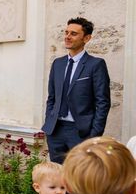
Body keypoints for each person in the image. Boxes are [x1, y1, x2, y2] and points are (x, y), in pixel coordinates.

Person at [42, 17, 111, 164]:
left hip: (81, 132)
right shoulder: (58, 64)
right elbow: (52, 97)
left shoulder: (96, 64)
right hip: (55, 131)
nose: (67, 36)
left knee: (79, 178)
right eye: (66, 32)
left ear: (86, 38)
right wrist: (49, 120)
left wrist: (94, 135)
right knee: (59, 177)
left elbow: (103, 103)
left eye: (73, 33)